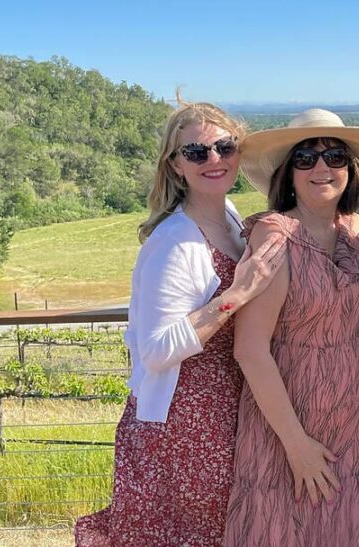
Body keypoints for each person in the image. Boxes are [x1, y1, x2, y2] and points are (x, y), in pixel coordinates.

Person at [75, 102, 284, 547]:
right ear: (175, 165)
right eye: (196, 152)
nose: (214, 160)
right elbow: (155, 350)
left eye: (225, 147)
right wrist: (235, 297)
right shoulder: (176, 241)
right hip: (183, 427)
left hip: (221, 416)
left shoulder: (227, 216)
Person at [222, 109, 359, 547]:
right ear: (289, 173)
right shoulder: (275, 236)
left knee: (351, 531)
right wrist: (296, 445)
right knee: (281, 530)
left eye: (334, 156)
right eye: (306, 158)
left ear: (351, 170)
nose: (322, 167)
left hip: (358, 426)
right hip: (289, 424)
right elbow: (250, 349)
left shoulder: (357, 233)